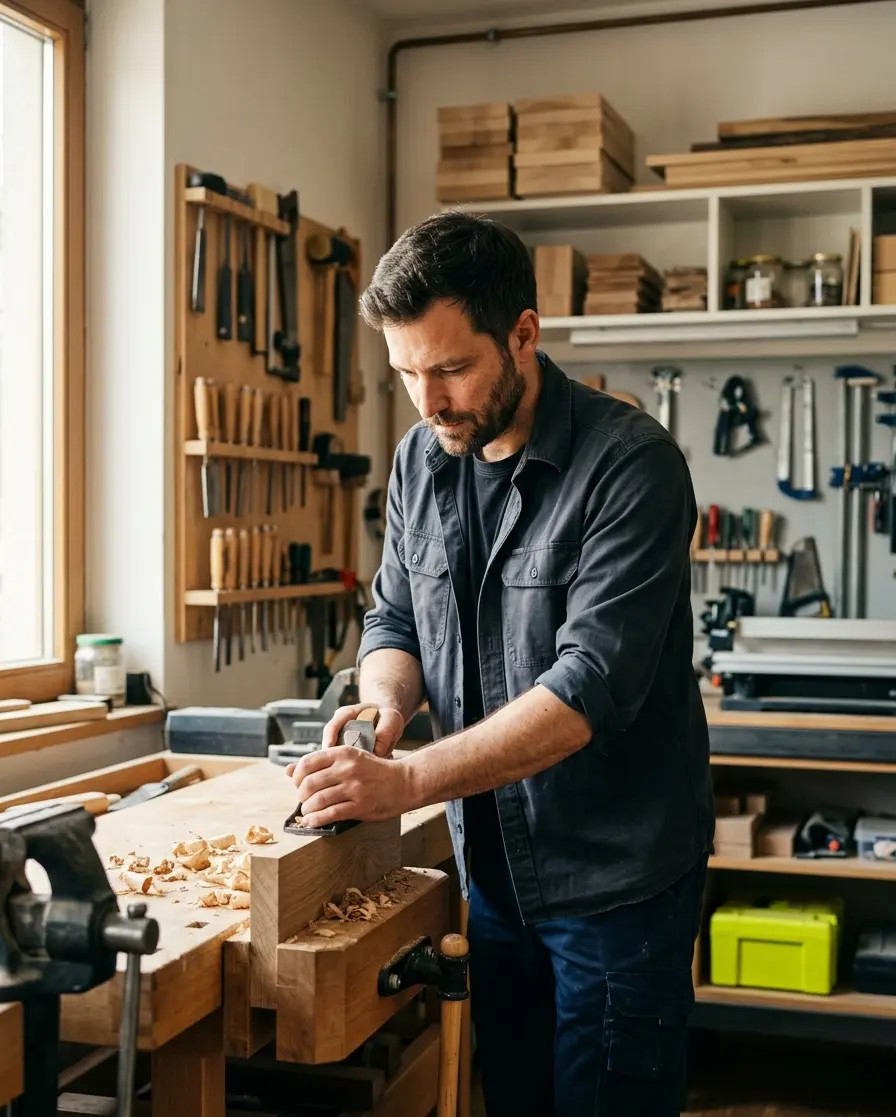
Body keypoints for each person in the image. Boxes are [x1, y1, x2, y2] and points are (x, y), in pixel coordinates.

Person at [287, 211, 715, 1117]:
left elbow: (583, 689)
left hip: (616, 886)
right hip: (493, 876)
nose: (427, 400)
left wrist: (403, 783)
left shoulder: (630, 465)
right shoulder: (421, 457)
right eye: (406, 373)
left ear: (523, 333)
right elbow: (395, 617)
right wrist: (382, 712)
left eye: (449, 368)